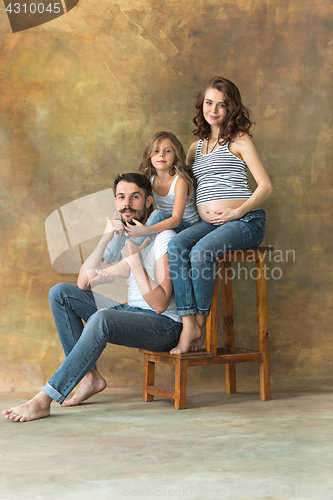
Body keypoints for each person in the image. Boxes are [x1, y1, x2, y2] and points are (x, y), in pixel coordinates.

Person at [3, 173, 182, 422]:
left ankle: (44, 399)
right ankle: (90, 377)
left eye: (135, 197)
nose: (127, 203)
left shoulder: (165, 238)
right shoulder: (124, 239)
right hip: (135, 314)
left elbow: (161, 304)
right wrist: (106, 237)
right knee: (61, 293)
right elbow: (83, 283)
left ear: (149, 201)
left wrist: (134, 262)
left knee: (103, 318)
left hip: (164, 326)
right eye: (121, 197)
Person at [167, 76, 273, 355]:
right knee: (176, 245)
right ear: (201, 105)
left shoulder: (239, 139)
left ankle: (197, 325)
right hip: (209, 224)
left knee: (201, 252)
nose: (213, 109)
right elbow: (183, 186)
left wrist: (236, 212)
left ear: (231, 108)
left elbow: (266, 186)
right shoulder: (195, 148)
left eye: (221, 105)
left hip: (246, 221)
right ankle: (188, 321)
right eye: (208, 103)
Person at [105, 132, 200, 263]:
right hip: (166, 223)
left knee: (157, 215)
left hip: (187, 226)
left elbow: (176, 220)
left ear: (176, 155)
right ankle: (107, 261)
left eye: (167, 151)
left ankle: (129, 259)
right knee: (124, 218)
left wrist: (146, 230)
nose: (161, 155)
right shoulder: (150, 178)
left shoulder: (180, 181)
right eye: (156, 151)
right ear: (149, 156)